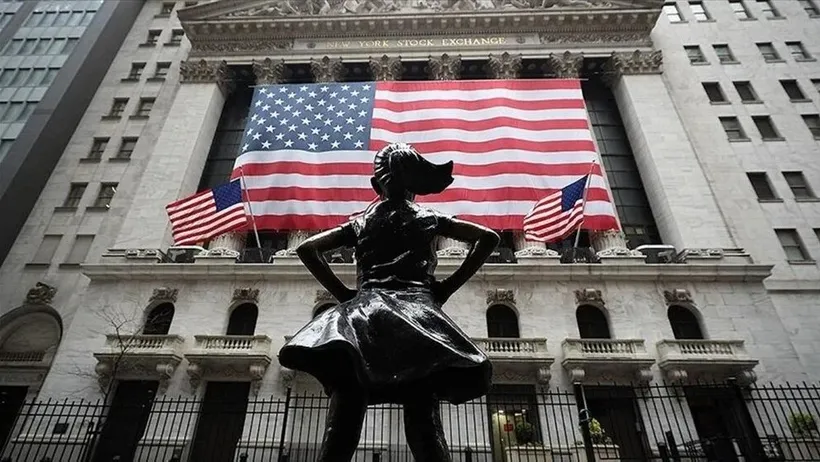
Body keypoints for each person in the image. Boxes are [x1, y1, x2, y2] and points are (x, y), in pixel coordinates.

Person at [278, 142, 500, 461]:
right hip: (417, 318)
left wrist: (345, 295)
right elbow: (488, 237)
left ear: (375, 185)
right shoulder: (429, 217)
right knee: (424, 423)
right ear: (415, 185)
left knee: (344, 419)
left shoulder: (360, 222)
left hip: (363, 318)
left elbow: (307, 248)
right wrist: (447, 288)